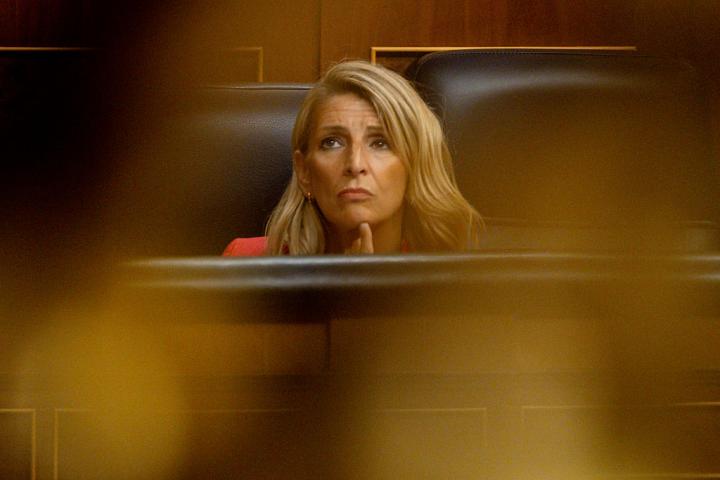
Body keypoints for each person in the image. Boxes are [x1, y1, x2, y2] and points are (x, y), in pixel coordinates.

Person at [223, 60, 481, 256]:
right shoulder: (246, 262)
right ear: (304, 172)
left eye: (380, 143)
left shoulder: (459, 281)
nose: (355, 165)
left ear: (415, 165)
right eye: (332, 142)